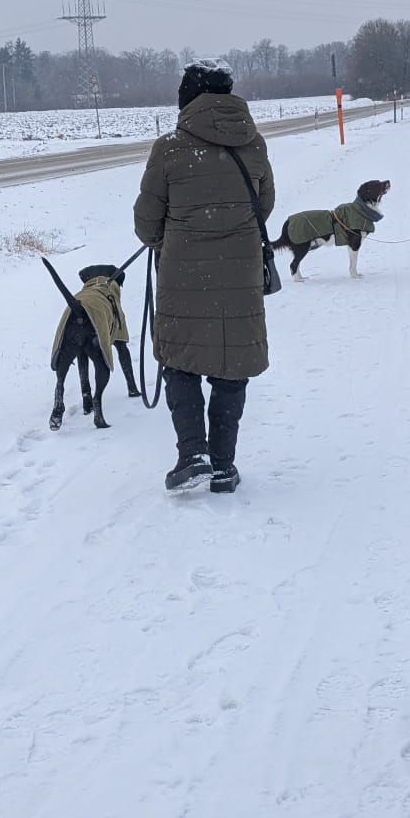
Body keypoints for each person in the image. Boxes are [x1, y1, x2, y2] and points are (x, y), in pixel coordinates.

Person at [134, 59, 275, 494]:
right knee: (232, 366)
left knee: (180, 361)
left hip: (182, 277)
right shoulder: (253, 145)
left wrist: (174, 236)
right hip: (240, 275)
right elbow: (264, 206)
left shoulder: (171, 148)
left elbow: (146, 223)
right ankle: (223, 466)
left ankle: (192, 453)